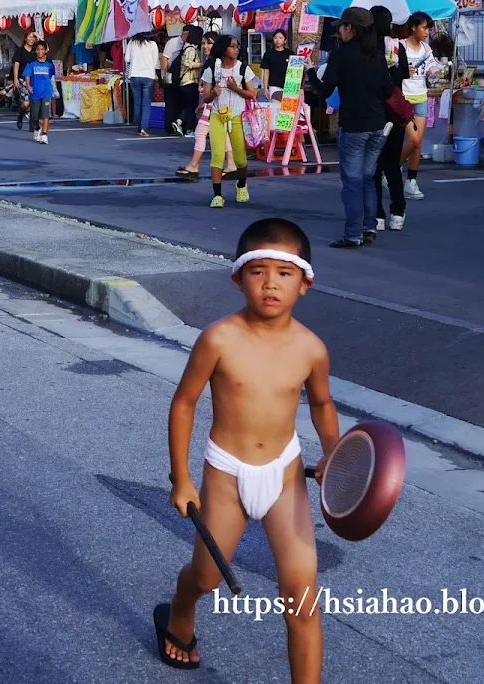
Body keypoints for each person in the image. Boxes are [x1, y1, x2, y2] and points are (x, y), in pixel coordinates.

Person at [156, 218, 338, 677]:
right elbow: (184, 403)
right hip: (227, 473)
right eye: (258, 272)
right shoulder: (219, 338)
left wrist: (336, 455)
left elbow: (321, 403)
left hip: (285, 474)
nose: (270, 283)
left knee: (301, 597)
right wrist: (182, 478)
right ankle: (179, 610)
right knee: (206, 577)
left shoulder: (312, 348)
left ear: (304, 284)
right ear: (239, 278)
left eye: (284, 273)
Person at [311, 7, 390, 248]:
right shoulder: (377, 54)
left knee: (353, 181)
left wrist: (311, 74)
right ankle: (369, 228)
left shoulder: (341, 55)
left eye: (343, 27)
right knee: (368, 178)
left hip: (354, 125)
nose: (341, 32)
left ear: (349, 28)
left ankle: (353, 234)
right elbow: (387, 91)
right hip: (378, 125)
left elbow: (325, 90)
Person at [200, 34, 256, 207]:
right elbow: (205, 98)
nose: (236, 49)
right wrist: (213, 93)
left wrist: (235, 88)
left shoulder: (243, 69)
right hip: (217, 115)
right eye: (232, 46)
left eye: (237, 46)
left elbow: (252, 94)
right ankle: (217, 195)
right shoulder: (212, 69)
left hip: (237, 116)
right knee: (217, 156)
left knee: (240, 159)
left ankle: (241, 184)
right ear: (223, 49)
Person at [371, 6, 409, 233]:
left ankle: (378, 214)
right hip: (395, 111)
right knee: (393, 165)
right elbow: (404, 76)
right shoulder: (397, 47)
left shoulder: (367, 47)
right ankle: (398, 212)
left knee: (374, 166)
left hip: (374, 112)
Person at [176, 34, 232, 175]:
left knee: (200, 132)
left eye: (209, 43)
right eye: (204, 43)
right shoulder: (219, 61)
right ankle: (231, 164)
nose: (205, 46)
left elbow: (211, 88)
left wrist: (204, 99)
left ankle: (194, 165)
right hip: (220, 103)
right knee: (223, 134)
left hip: (214, 104)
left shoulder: (212, 62)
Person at [400, 11, 436, 201]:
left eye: (428, 28)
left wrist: (434, 72)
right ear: (413, 27)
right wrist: (404, 71)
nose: (427, 32)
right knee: (413, 140)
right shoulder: (401, 47)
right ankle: (391, 169)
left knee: (418, 142)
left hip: (421, 96)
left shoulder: (426, 48)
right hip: (404, 98)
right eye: (424, 28)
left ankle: (411, 181)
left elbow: (431, 68)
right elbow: (391, 69)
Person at [126, 31, 160, 137]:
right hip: (148, 76)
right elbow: (156, 63)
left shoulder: (132, 43)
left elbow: (127, 59)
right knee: (146, 103)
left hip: (134, 75)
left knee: (137, 102)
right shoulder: (152, 44)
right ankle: (143, 128)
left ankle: (139, 126)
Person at [25, 40, 56, 145]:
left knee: (45, 114)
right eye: (38, 49)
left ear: (45, 51)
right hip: (35, 92)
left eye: (42, 49)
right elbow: (27, 76)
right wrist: (28, 86)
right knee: (35, 115)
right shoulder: (32, 64)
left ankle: (44, 134)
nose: (40, 51)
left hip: (46, 91)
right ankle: (37, 128)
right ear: (35, 51)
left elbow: (51, 76)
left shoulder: (49, 65)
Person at [176, 25, 205, 135]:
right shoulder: (191, 49)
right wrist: (202, 64)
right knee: (191, 107)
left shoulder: (186, 47)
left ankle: (178, 122)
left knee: (188, 106)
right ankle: (189, 130)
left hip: (185, 82)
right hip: (189, 81)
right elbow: (189, 64)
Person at [161, 28, 186, 135]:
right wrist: (166, 75)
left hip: (181, 78)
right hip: (170, 77)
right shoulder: (172, 42)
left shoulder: (188, 45)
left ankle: (177, 125)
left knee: (179, 102)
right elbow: (164, 59)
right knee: (170, 103)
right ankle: (169, 128)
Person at [11, 30, 37, 130]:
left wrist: (39, 36)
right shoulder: (20, 51)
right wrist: (15, 79)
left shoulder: (36, 51)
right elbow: (16, 65)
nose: (31, 39)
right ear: (25, 38)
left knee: (34, 101)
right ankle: (21, 114)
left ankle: (32, 124)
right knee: (26, 103)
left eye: (33, 37)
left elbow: (46, 49)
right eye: (29, 37)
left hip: (35, 80)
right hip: (23, 79)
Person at [261, 31, 293, 99]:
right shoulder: (268, 54)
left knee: (287, 105)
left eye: (280, 38)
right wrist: (265, 88)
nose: (277, 40)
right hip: (274, 85)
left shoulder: (290, 54)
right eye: (275, 38)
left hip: (289, 86)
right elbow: (266, 72)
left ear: (285, 41)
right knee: (275, 104)